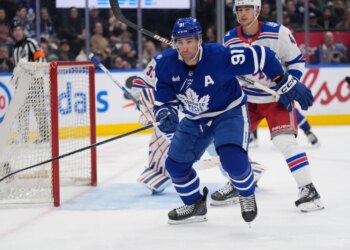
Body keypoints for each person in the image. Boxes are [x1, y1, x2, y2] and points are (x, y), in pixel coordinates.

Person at [151, 17, 313, 224]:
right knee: (175, 166)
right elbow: (164, 101)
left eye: (189, 41)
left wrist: (283, 81)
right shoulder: (165, 64)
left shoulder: (219, 55)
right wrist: (166, 113)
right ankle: (195, 205)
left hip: (228, 112)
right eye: (180, 42)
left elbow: (263, 56)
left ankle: (246, 194)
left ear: (199, 40)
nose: (185, 47)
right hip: (195, 119)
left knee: (232, 160)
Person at [211, 0, 324, 212]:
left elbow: (296, 61)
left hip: (276, 99)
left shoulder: (278, 32)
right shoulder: (230, 38)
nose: (243, 14)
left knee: (285, 142)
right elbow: (225, 70)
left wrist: (290, 85)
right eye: (240, 9)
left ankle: (309, 189)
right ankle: (240, 182)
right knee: (232, 144)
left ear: (258, 10)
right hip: (246, 100)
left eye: (247, 9)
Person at [10, 20, 49, 143]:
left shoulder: (31, 43)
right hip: (22, 84)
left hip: (35, 82)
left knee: (39, 109)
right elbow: (18, 67)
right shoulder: (15, 48)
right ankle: (23, 136)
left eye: (19, 29)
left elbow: (41, 58)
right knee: (22, 111)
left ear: (23, 31)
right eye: (15, 30)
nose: (17, 32)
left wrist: (37, 74)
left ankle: (45, 136)